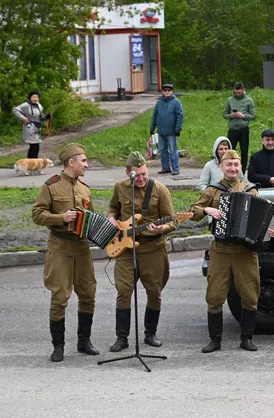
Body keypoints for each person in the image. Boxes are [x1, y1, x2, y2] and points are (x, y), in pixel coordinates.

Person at [190, 150, 274, 353]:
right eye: (229, 164)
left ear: (241, 168)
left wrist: (273, 230)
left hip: (245, 252)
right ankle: (215, 340)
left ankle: (246, 338)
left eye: (236, 165)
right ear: (221, 167)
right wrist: (206, 210)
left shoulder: (251, 190)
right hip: (220, 251)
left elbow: (264, 220)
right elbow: (193, 211)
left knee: (250, 295)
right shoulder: (213, 190)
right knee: (214, 296)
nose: (233, 168)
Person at [31, 143, 98, 362]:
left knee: (88, 294)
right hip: (60, 247)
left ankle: (84, 341)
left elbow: (91, 217)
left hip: (82, 248)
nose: (86, 165)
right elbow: (37, 215)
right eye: (84, 161)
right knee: (59, 297)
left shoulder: (84, 188)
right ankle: (58, 346)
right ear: (72, 162)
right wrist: (61, 218)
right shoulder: (50, 186)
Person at [106, 151, 177, 352]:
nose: (141, 178)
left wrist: (161, 229)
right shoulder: (120, 188)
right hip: (125, 249)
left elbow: (172, 220)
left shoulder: (160, 190)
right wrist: (111, 218)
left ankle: (150, 333)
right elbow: (113, 208)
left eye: (144, 174)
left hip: (153, 248)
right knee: (123, 291)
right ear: (127, 172)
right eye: (137, 175)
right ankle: (122, 338)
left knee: (154, 291)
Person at [150, 83, 184, 176]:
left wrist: (178, 128)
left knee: (173, 150)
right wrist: (152, 128)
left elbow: (180, 116)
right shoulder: (159, 102)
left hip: (171, 131)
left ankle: (175, 168)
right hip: (161, 131)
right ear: (163, 92)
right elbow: (155, 116)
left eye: (169, 90)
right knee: (163, 150)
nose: (167, 92)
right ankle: (166, 168)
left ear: (171, 91)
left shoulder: (176, 102)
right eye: (165, 90)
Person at [223, 82, 256, 173]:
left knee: (244, 151)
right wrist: (231, 115)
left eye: (239, 93)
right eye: (236, 92)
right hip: (232, 129)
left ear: (243, 90)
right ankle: (229, 170)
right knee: (230, 151)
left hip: (243, 128)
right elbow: (224, 114)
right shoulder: (230, 100)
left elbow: (253, 116)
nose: (238, 94)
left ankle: (242, 172)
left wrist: (243, 116)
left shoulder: (249, 100)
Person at [13, 90, 52, 159]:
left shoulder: (39, 106)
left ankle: (32, 165)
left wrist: (47, 116)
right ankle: (31, 164)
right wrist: (23, 118)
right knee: (34, 146)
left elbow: (40, 117)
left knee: (35, 147)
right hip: (29, 127)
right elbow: (15, 110)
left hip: (37, 128)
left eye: (36, 97)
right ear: (30, 97)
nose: (35, 99)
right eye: (33, 97)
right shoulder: (26, 105)